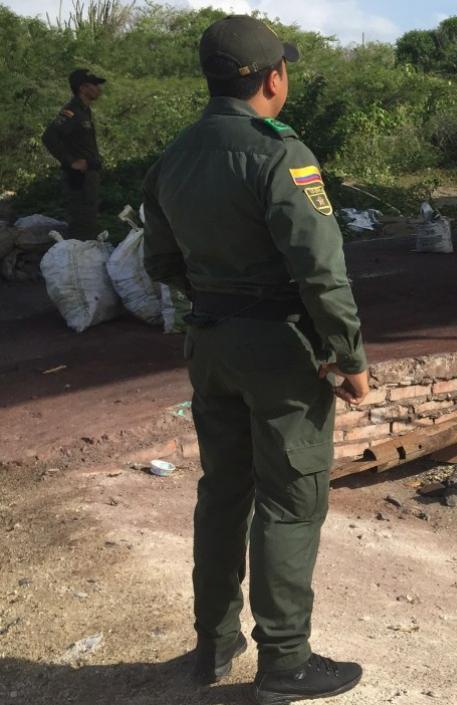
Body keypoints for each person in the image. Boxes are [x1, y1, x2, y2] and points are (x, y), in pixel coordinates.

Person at [141, 15, 368, 704]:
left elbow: (160, 262)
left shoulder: (174, 157)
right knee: (290, 501)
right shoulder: (281, 154)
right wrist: (348, 355)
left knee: (223, 493)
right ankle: (286, 663)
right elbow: (320, 271)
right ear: (274, 78)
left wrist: (218, 301)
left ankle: (213, 644)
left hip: (210, 342)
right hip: (278, 350)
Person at [41, 68, 106, 239]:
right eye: (94, 84)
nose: (98, 88)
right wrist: (71, 162)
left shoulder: (85, 111)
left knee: (90, 220)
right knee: (81, 223)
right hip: (79, 178)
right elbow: (49, 136)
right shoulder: (72, 111)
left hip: (89, 177)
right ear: (82, 88)